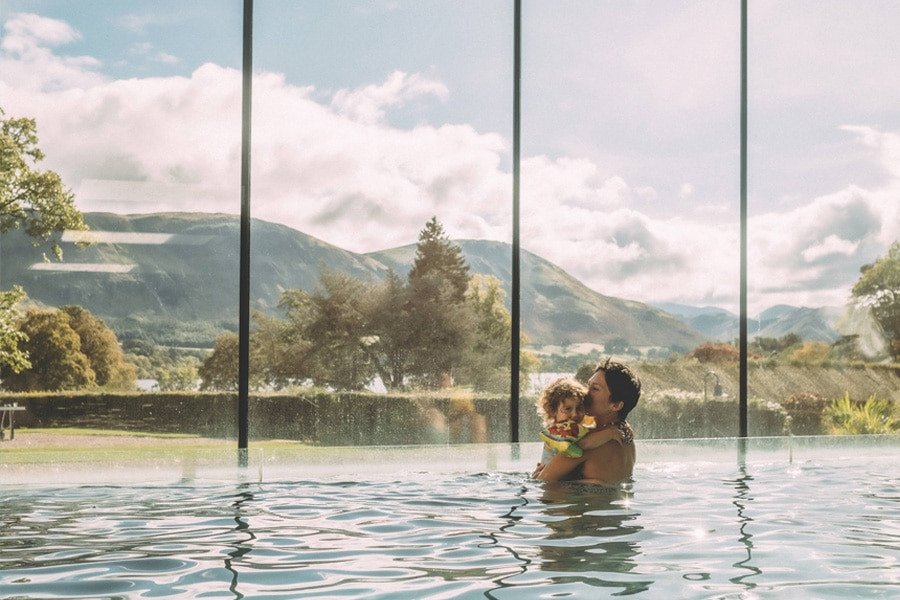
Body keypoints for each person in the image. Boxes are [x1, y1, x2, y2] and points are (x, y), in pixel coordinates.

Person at [535, 358, 641, 485]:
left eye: (595, 389)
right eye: (588, 385)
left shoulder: (586, 443)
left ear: (616, 405)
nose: (585, 393)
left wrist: (537, 476)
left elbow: (542, 482)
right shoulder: (625, 435)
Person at [534, 377, 591, 468]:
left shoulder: (576, 428)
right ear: (553, 411)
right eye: (567, 409)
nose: (575, 414)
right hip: (551, 480)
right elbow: (584, 444)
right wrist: (610, 433)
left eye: (579, 408)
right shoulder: (558, 432)